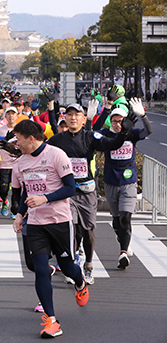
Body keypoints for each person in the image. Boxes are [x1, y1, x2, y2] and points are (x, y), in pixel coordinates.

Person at [11, 120, 88, 338]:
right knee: (41, 269)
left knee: (68, 267)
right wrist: (19, 215)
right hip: (36, 224)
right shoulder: (21, 163)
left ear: (31, 138)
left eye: (19, 139)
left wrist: (45, 198)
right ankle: (51, 320)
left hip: (60, 221)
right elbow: (26, 192)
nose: (17, 143)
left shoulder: (57, 155)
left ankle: (80, 282)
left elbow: (70, 188)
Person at [47, 103, 128, 285]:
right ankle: (75, 264)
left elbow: (113, 145)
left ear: (84, 120)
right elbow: (40, 150)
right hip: (67, 192)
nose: (73, 117)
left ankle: (89, 266)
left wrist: (124, 133)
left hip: (87, 191)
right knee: (71, 229)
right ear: (65, 118)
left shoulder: (91, 137)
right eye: (69, 115)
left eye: (77, 115)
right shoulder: (58, 140)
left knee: (88, 232)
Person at [93, 98, 151, 269]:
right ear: (110, 121)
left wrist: (143, 115)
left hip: (129, 182)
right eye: (115, 121)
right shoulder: (107, 134)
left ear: (125, 121)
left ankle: (123, 253)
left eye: (121, 121)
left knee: (126, 218)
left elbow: (149, 130)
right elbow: (93, 132)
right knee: (117, 221)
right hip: (111, 182)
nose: (118, 124)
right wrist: (105, 109)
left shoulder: (131, 133)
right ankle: (122, 238)